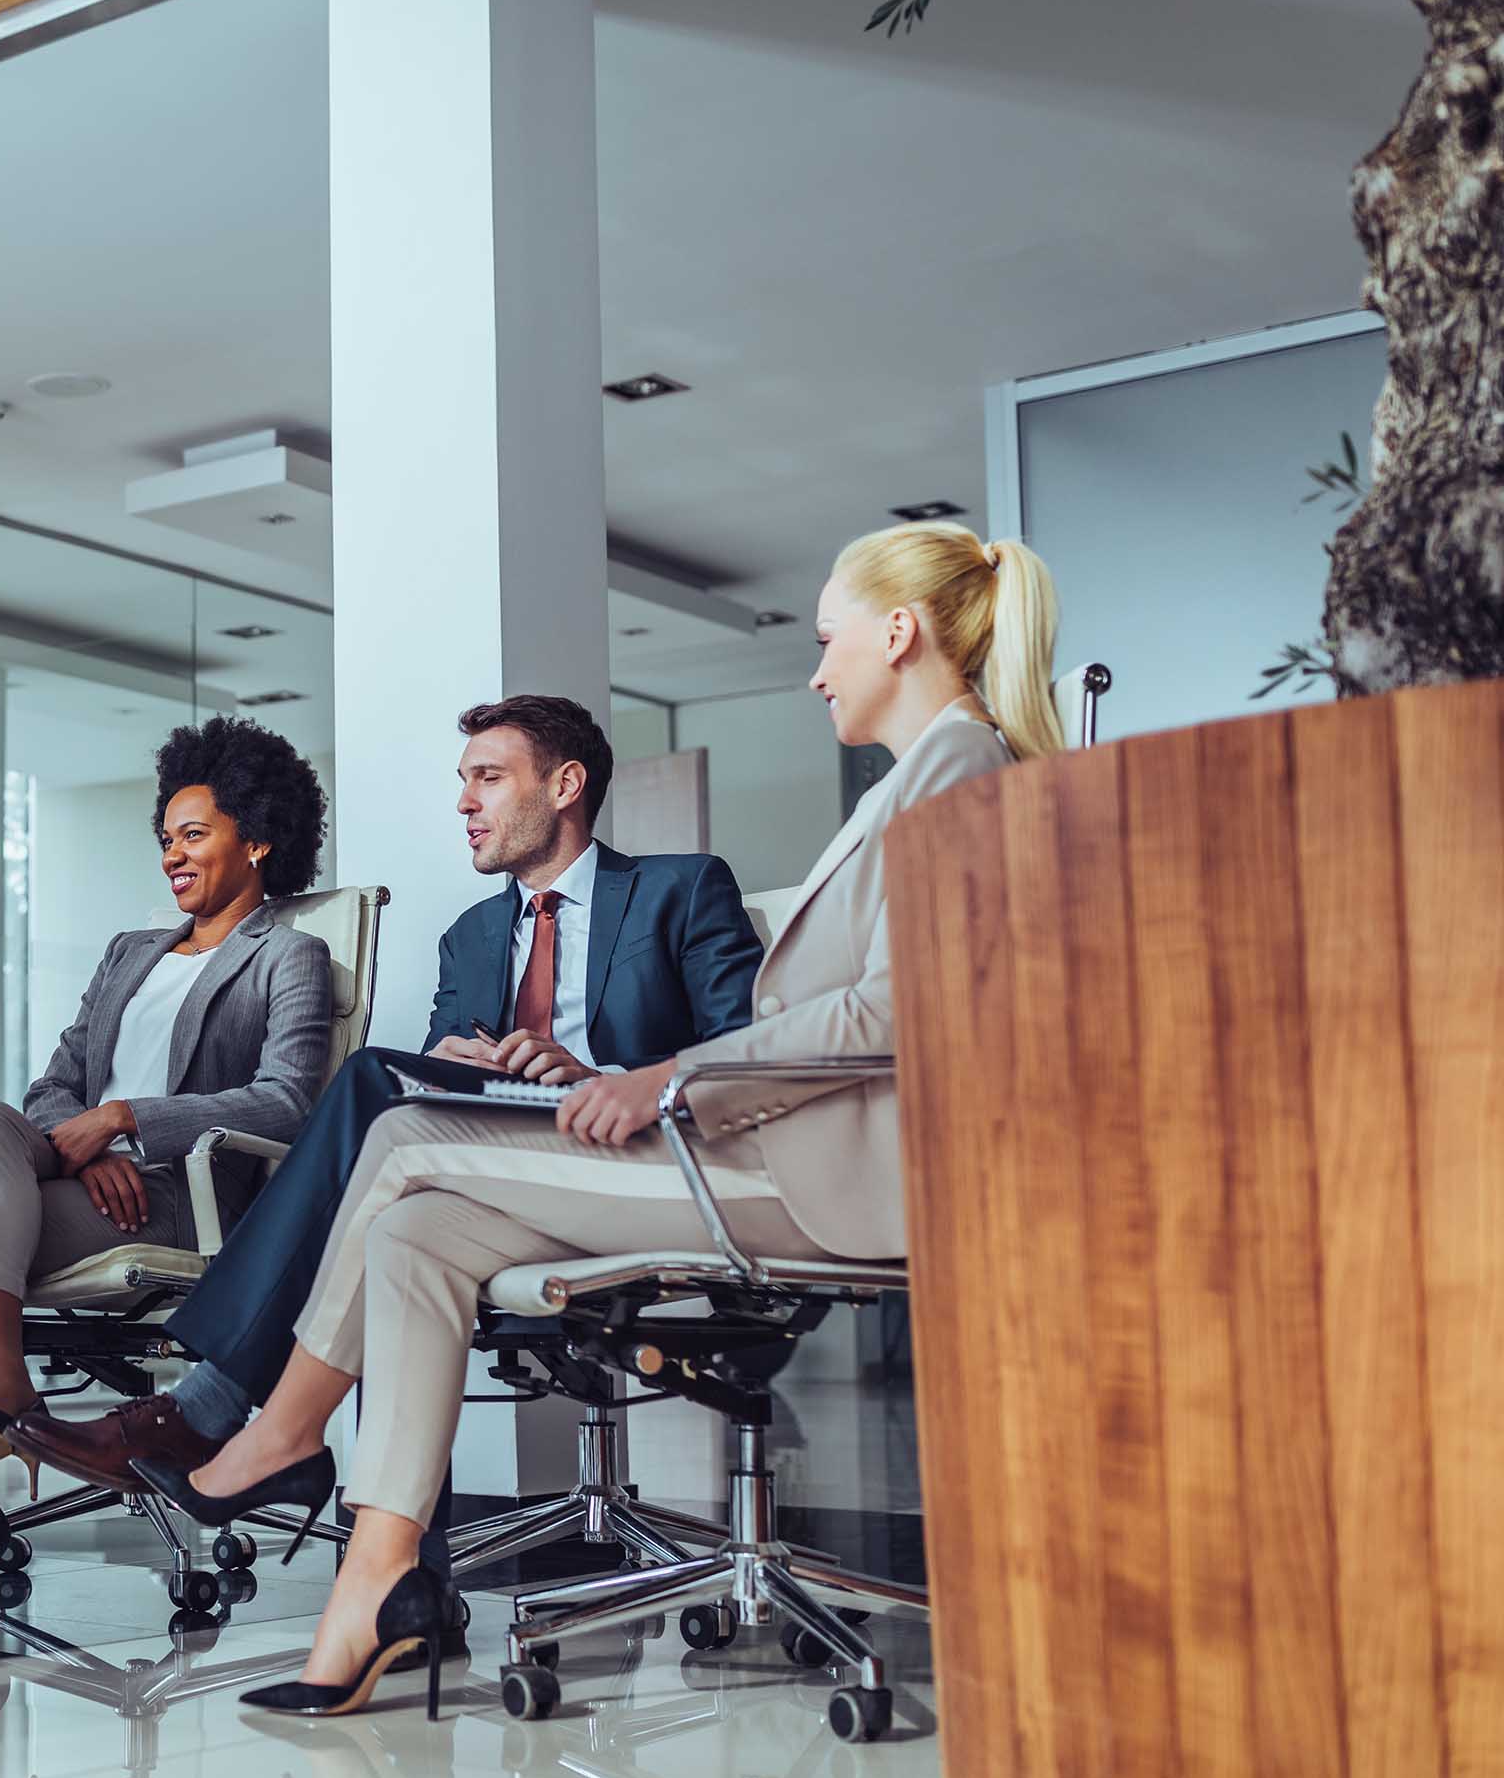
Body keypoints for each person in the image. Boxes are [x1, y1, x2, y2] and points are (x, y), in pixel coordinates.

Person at [187, 520, 1059, 1717]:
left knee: (394, 1138)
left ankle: (280, 1427)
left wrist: (665, 1077)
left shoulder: (960, 766)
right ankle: (374, 1582)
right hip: (759, 1152)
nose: (816, 669)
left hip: (811, 1179)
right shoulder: (924, 777)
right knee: (413, 1230)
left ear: (897, 632)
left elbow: (896, 1010)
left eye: (828, 639)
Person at [14, 694, 764, 1517]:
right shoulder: (471, 936)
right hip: (500, 1165)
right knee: (393, 1172)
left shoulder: (681, 889)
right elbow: (436, 1081)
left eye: (488, 778)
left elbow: (743, 1057)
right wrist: (442, 1066)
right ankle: (403, 1579)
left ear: (565, 785)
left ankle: (210, 1411)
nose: (464, 803)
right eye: (462, 780)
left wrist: (593, 1074)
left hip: (638, 1161)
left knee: (373, 1091)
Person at [0, 718, 336, 1631]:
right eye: (165, 836)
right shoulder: (130, 953)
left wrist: (132, 1121)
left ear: (258, 839)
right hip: (87, 1183)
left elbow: (289, 1100)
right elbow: (53, 1088)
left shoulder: (287, 956)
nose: (172, 854)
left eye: (195, 834)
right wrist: (86, 1147)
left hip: (179, 1202)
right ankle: (4, 1387)